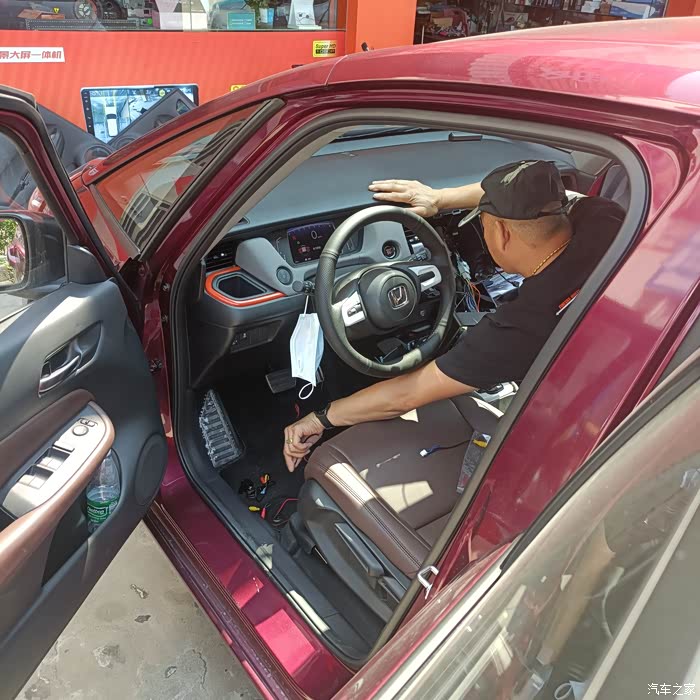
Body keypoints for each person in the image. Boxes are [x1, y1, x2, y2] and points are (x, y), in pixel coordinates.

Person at [282, 160, 625, 471]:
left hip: (579, 435)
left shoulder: (522, 326)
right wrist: (439, 199)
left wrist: (320, 418)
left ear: (502, 233)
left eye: (482, 224)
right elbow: (551, 195)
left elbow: (407, 395)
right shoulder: (604, 218)